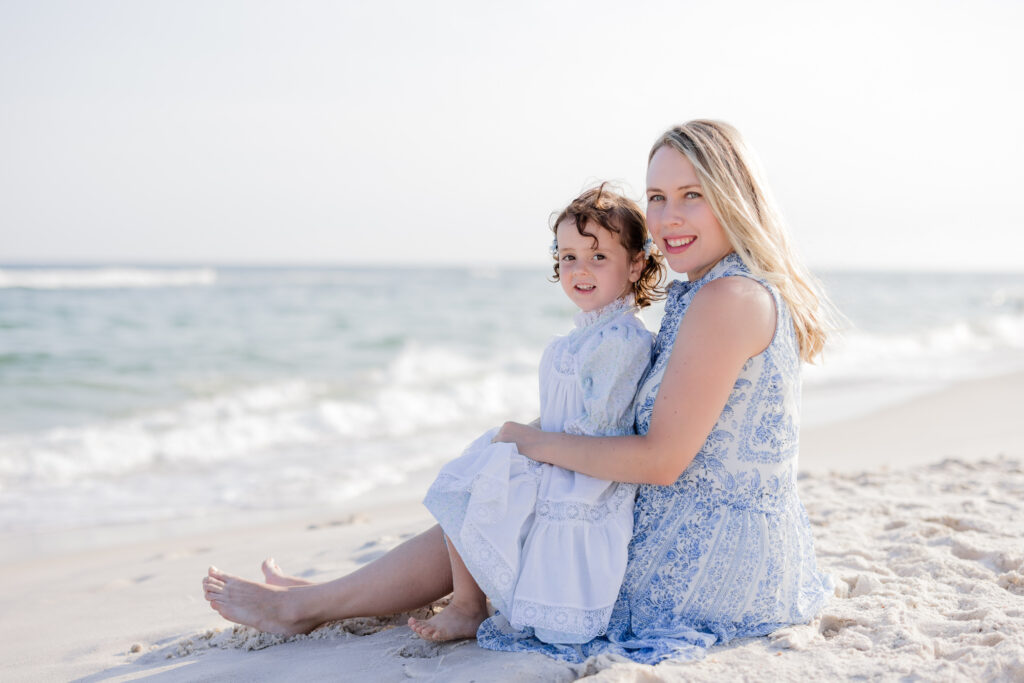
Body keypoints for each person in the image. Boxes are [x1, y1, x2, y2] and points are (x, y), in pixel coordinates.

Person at [202, 119, 832, 666]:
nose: (667, 218)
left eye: (692, 196)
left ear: (735, 198)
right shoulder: (715, 288)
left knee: (511, 484)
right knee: (512, 483)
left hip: (702, 565)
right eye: (658, 197)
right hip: (723, 536)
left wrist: (534, 441)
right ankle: (325, 597)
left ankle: (314, 605)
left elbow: (661, 461)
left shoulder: (727, 298)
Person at [408, 185, 665, 643]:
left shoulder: (621, 341)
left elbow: (601, 431)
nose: (579, 270)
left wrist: (527, 448)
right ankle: (467, 603)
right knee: (473, 465)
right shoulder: (582, 336)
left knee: (485, 475)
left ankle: (468, 605)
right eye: (568, 257)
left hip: (587, 476)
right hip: (563, 452)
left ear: (635, 265)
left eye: (598, 257)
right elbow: (559, 413)